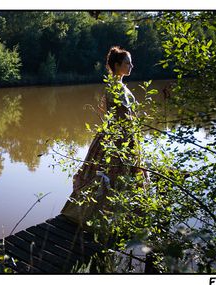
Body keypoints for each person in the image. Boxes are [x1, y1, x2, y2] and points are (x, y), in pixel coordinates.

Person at [61, 46, 144, 227]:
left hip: (122, 136)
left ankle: (112, 217)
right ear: (117, 65)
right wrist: (128, 137)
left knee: (117, 176)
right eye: (127, 63)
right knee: (109, 175)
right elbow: (120, 117)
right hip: (117, 138)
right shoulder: (115, 87)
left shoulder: (119, 86)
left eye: (131, 62)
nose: (131, 66)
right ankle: (99, 218)